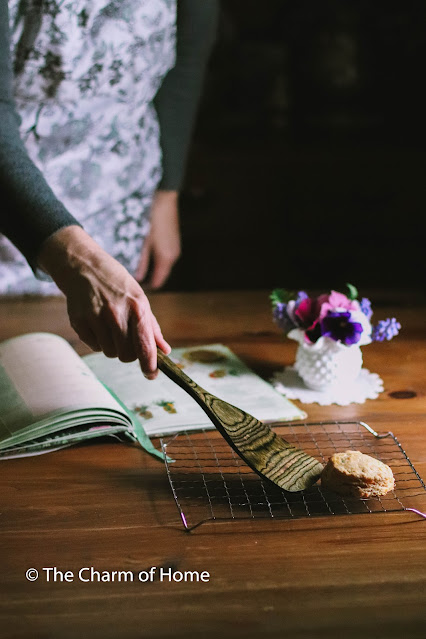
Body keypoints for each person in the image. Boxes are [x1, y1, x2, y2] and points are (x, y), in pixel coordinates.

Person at [0, 0, 218, 378]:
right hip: (12, 195)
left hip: (118, 193)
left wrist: (166, 191)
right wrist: (79, 260)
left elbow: (186, 61)